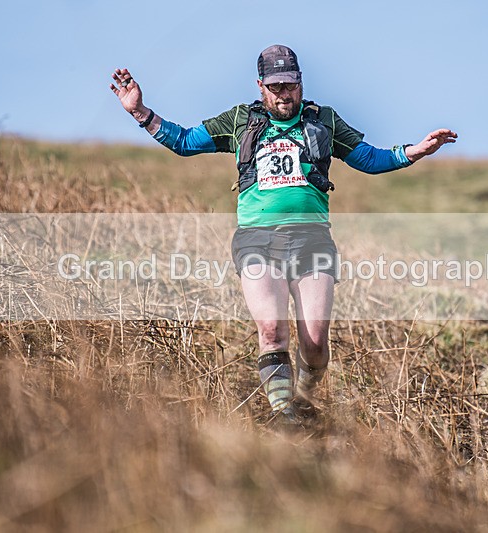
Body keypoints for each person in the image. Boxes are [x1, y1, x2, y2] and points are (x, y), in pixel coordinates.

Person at [110, 45, 457, 425]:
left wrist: (415, 151)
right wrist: (140, 112)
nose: (284, 94)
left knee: (315, 343)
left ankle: (304, 400)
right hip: (257, 240)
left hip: (313, 241)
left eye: (290, 85)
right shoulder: (240, 120)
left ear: (300, 82)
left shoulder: (324, 121)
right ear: (260, 85)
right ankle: (283, 415)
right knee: (272, 331)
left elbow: (371, 160)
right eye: (275, 87)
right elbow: (183, 142)